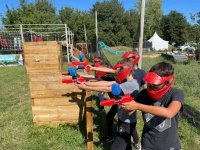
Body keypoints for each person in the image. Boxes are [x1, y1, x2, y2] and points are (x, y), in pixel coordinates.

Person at [122, 61, 184, 150]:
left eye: (155, 85)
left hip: (170, 145)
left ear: (168, 82)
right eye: (149, 83)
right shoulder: (144, 94)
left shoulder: (176, 94)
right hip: (148, 144)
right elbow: (128, 113)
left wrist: (137, 106)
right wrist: (127, 104)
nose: (150, 87)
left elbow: (169, 113)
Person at [77, 62, 139, 150]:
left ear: (127, 72)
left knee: (117, 147)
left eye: (120, 71)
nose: (118, 73)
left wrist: (87, 87)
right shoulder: (124, 82)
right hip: (123, 119)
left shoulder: (130, 84)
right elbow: (105, 83)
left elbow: (106, 88)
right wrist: (86, 83)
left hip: (127, 122)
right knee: (126, 145)